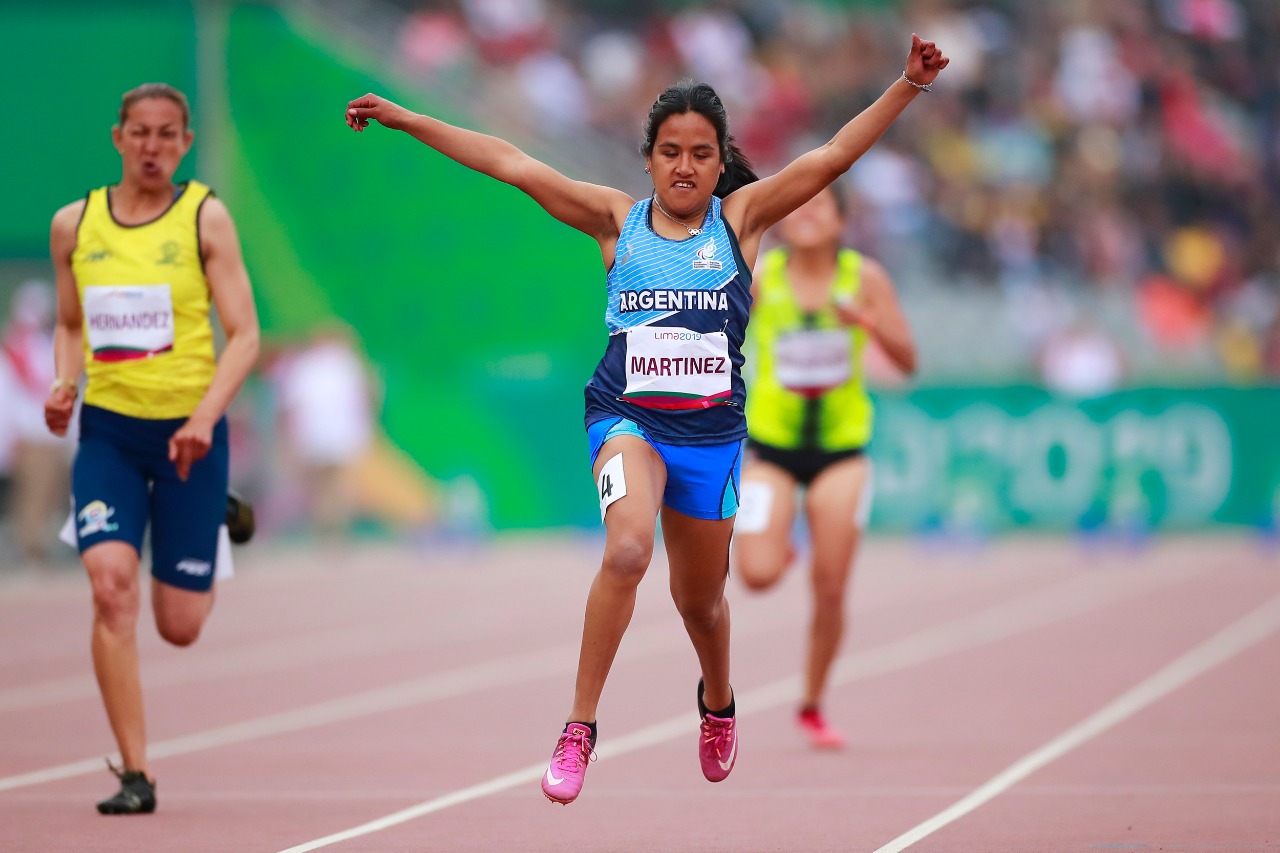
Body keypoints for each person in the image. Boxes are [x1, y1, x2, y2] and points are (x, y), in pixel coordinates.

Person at [345, 34, 947, 805]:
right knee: (628, 548)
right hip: (625, 416)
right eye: (670, 152)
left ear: (720, 157)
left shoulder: (743, 219)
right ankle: (579, 726)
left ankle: (719, 700)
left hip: (712, 438)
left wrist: (907, 84)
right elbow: (509, 162)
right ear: (650, 158)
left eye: (701, 152)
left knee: (700, 601)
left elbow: (830, 157)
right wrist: (407, 117)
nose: (686, 166)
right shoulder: (613, 221)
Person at [44, 83, 260, 815]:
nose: (152, 147)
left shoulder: (206, 218)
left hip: (189, 439)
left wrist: (204, 417)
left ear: (186, 143)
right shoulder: (74, 224)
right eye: (140, 133)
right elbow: (70, 322)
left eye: (167, 135)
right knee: (110, 586)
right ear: (117, 138)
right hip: (108, 431)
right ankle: (136, 773)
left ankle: (212, 509)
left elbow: (247, 333)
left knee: (179, 626)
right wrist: (64, 382)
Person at [732, 184, 916, 750]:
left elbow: (908, 362)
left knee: (830, 587)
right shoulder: (761, 275)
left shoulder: (866, 279)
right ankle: (782, 537)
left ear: (841, 221)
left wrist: (869, 322)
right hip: (772, 449)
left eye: (821, 206)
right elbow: (718, 337)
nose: (807, 213)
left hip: (841, 452)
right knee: (756, 575)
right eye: (798, 206)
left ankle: (812, 702)